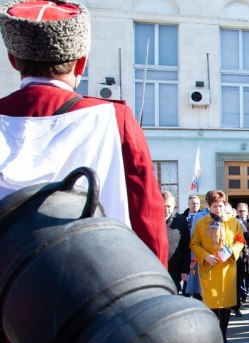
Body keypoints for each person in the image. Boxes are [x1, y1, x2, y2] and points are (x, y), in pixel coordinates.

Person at [0, 0, 167, 265]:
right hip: (98, 283)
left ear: (13, 59)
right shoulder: (113, 118)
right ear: (81, 63)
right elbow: (146, 213)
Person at [189, 190, 245, 343]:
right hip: (209, 269)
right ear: (209, 206)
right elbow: (194, 243)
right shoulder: (201, 223)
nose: (218, 209)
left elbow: (240, 241)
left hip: (227, 269)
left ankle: (223, 334)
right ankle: (214, 335)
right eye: (214, 206)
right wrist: (205, 256)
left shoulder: (233, 222)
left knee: (226, 303)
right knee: (212, 303)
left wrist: (232, 252)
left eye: (220, 205)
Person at [163, 190, 190, 293]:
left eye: (168, 206)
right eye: (163, 206)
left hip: (175, 268)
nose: (166, 209)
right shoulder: (152, 219)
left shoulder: (181, 221)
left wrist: (184, 269)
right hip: (157, 266)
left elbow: (186, 247)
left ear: (174, 205)